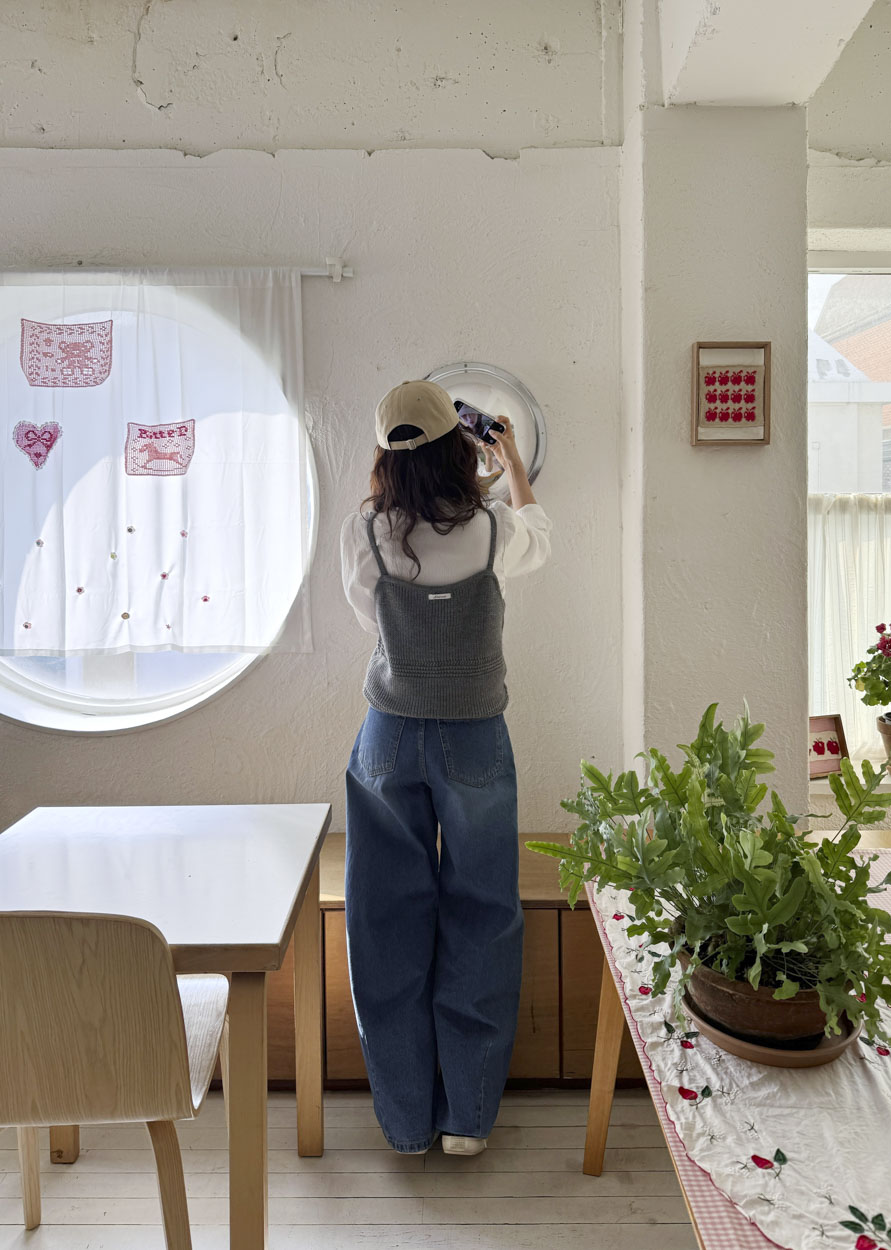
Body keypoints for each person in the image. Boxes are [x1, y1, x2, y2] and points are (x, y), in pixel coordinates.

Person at [340, 379, 551, 1156]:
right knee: (482, 914)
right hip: (474, 736)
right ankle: (467, 1116)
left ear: (384, 455)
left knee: (383, 919)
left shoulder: (365, 531)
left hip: (390, 733)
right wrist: (512, 461)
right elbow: (540, 533)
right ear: (456, 444)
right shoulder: (493, 529)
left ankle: (405, 1124)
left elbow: (369, 617)